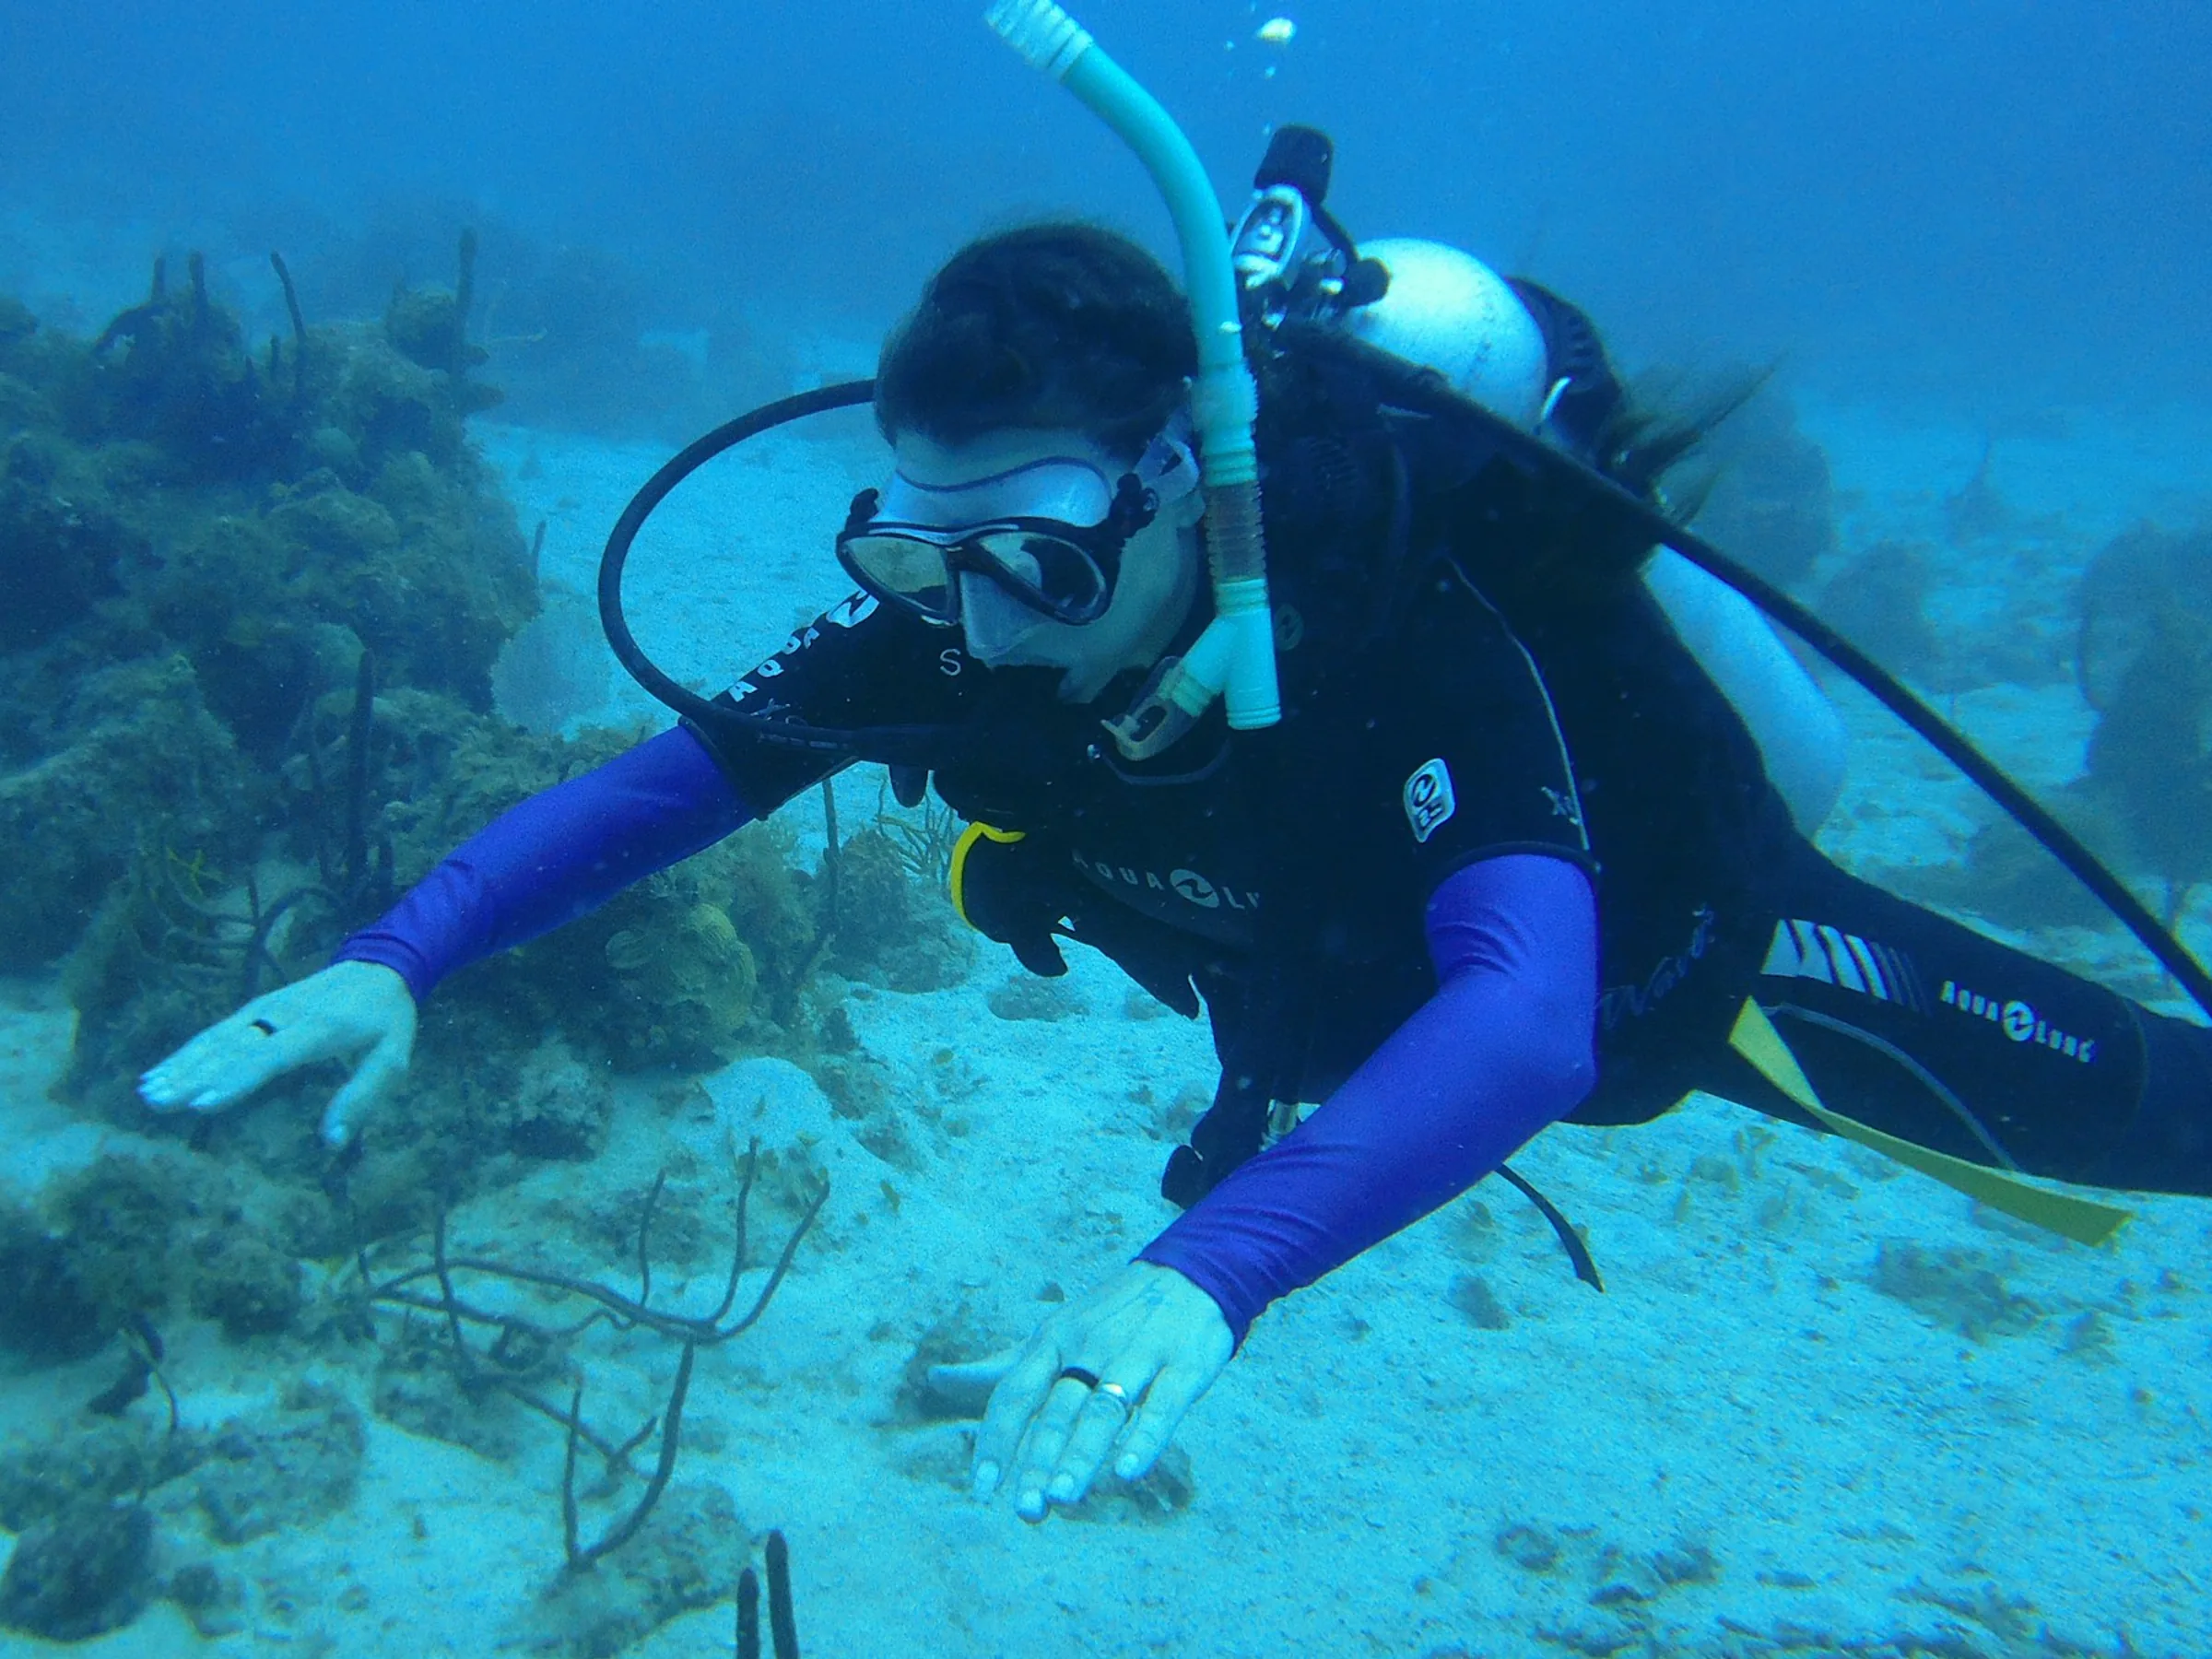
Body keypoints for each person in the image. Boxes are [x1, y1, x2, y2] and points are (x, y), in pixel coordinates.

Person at [139, 223, 2212, 1525]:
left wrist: (1214, 1270)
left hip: (1707, 983)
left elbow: (1529, 1013)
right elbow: (670, 787)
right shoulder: (964, 616)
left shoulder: (1392, 637)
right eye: (920, 549)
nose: (979, 617)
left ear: (1177, 494)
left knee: (2149, 1112)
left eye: (1033, 552)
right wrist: (401, 954)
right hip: (1327, 1011)